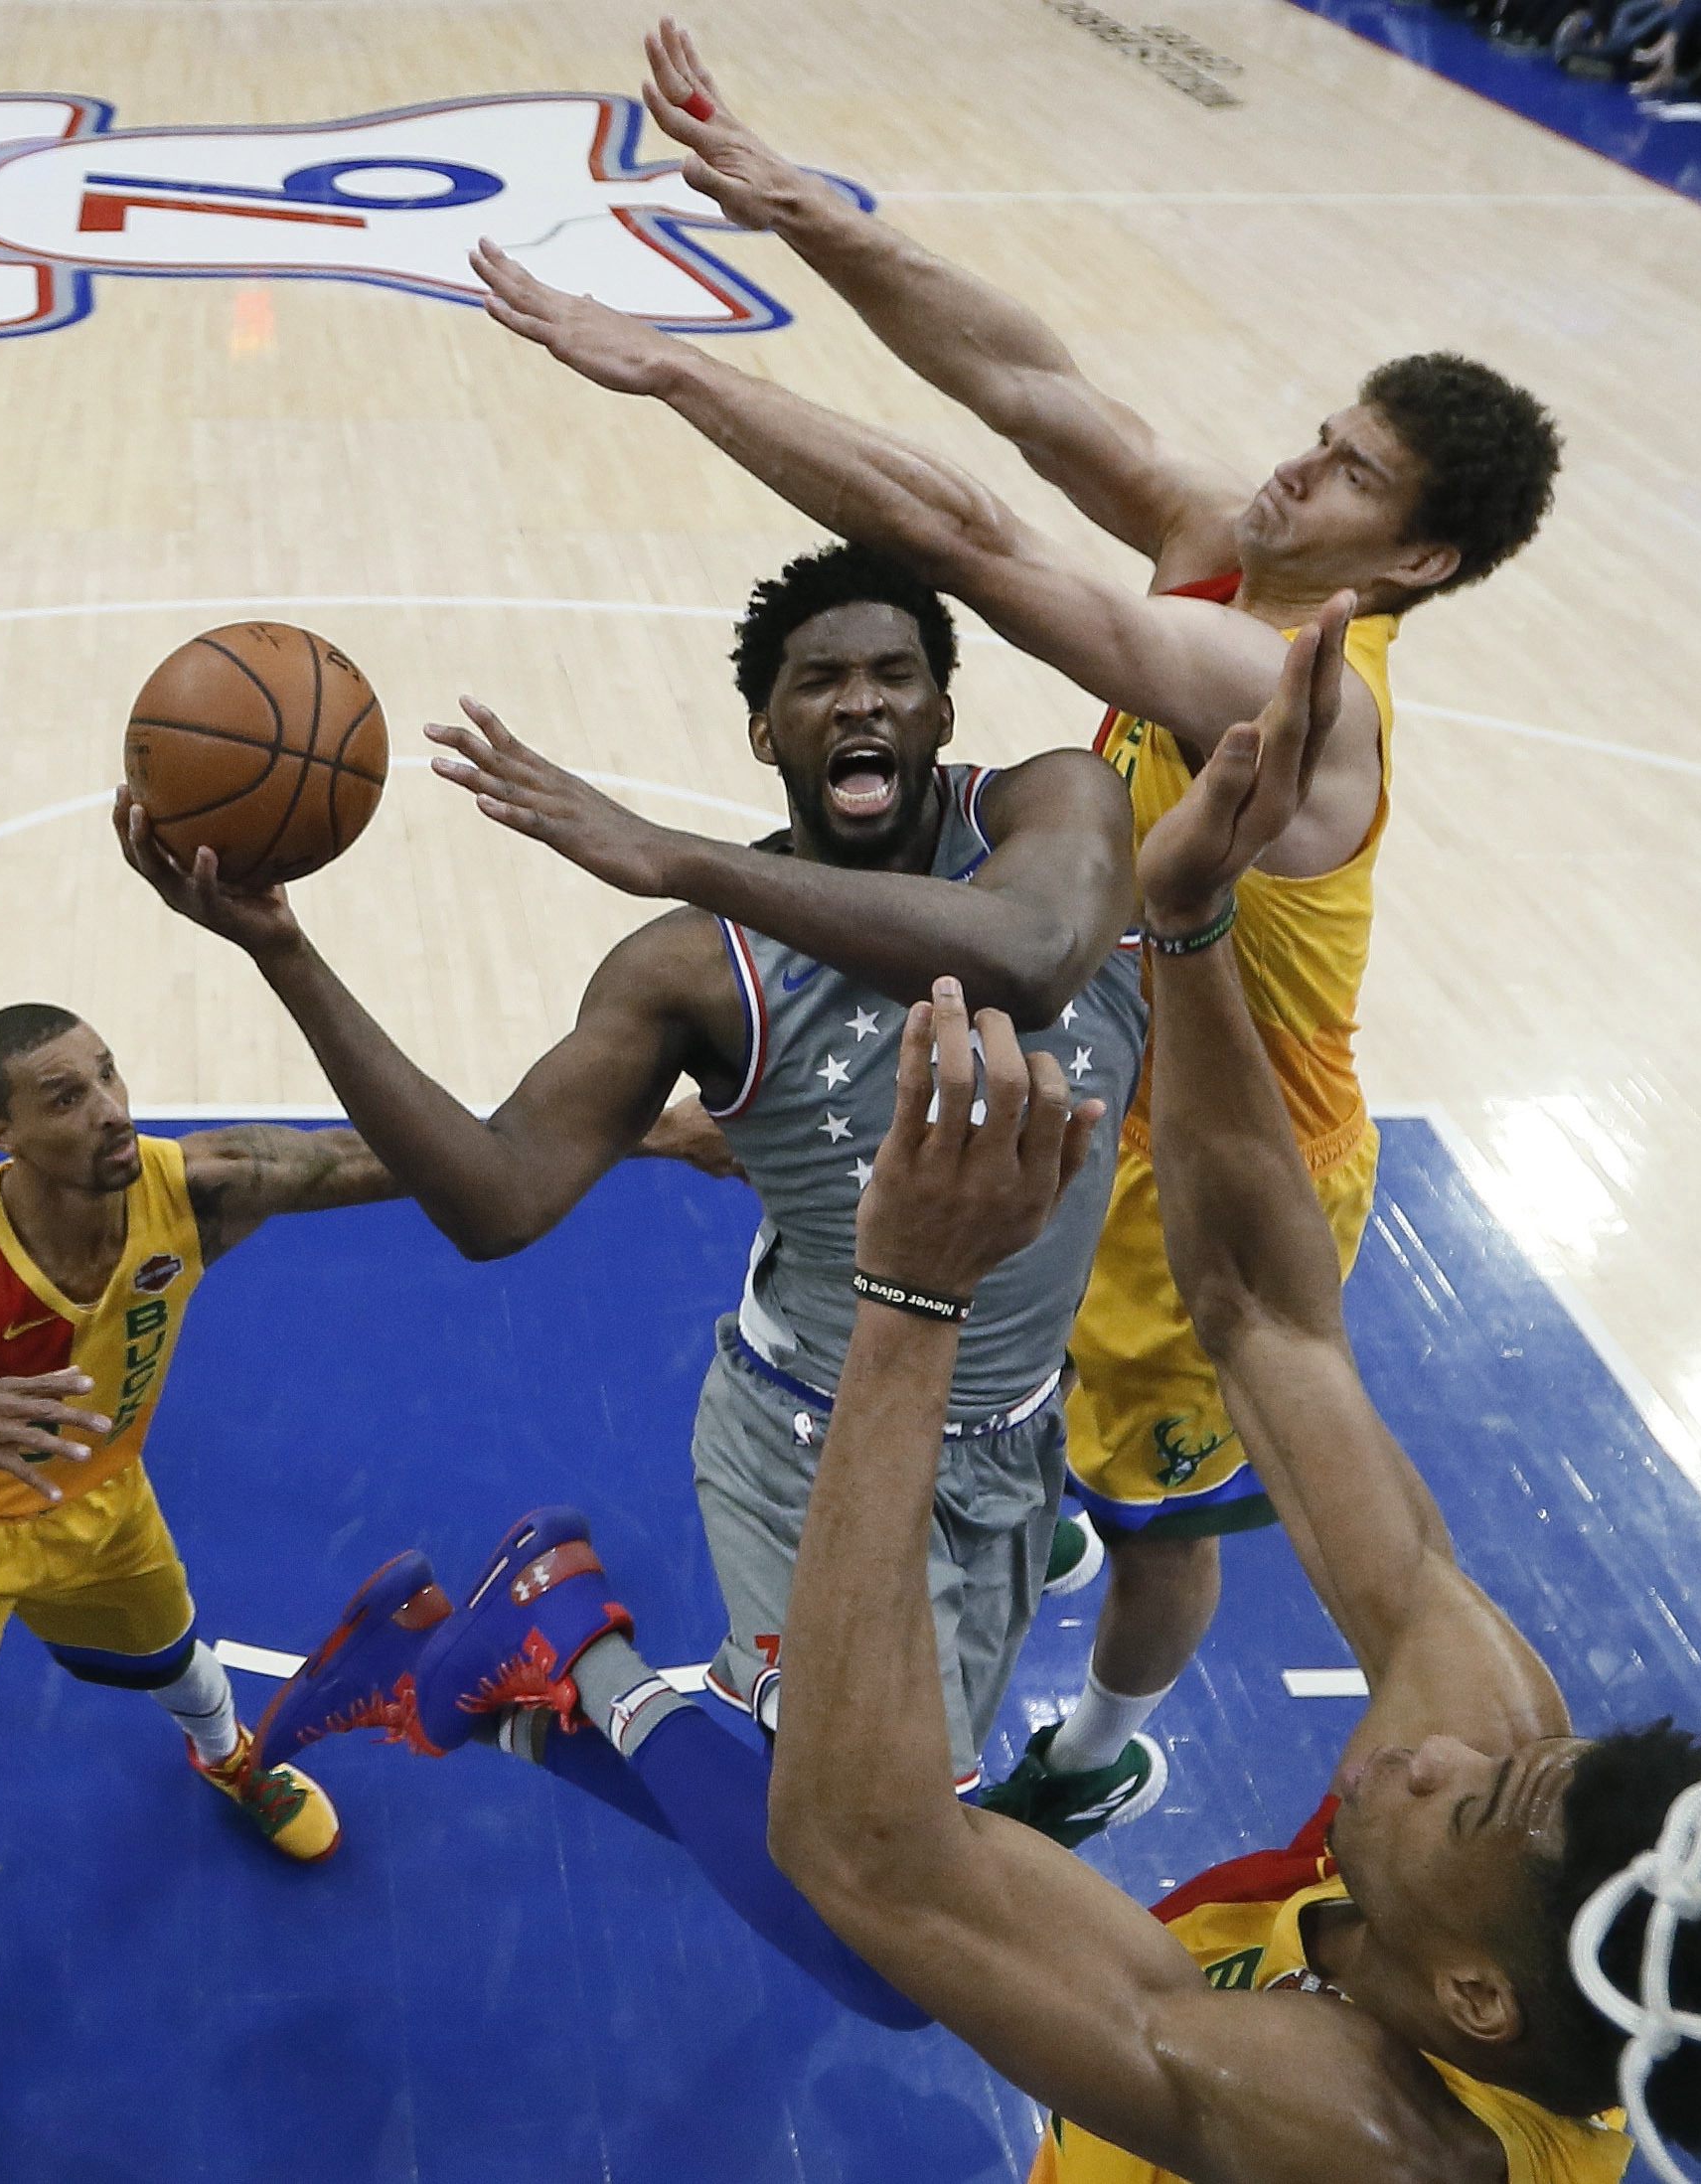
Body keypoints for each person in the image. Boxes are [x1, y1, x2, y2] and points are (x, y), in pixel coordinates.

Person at [473, 19, 1563, 1844]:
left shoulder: (1297, 692)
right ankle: (1031, 1470)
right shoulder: (1237, 545)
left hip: (1230, 1153)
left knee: (1156, 1525)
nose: (1295, 474)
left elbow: (971, 535)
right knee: (977, 1346)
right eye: (1321, 435)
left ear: (1415, 562)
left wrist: (674, 370)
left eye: (1350, 478)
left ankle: (1095, 1744)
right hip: (1094, 1076)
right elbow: (1030, 387)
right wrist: (803, 211)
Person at [756, 605, 1701, 2180]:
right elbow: (1268, 1322)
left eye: (1464, 1805)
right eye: (1504, 1766)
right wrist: (1190, 928)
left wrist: (910, 1292)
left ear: (1475, 1998)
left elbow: (863, 1850)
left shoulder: (1356, 2132)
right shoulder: (1507, 1803)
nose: (1440, 1749)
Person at [115, 543, 1146, 1792]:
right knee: (881, 1841)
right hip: (816, 1439)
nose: (860, 701)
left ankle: (552, 1668)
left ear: (941, 711)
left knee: (880, 1841)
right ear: (764, 732)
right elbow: (498, 1198)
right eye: (819, 681)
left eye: (893, 675)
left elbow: (1031, 958)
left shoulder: (1056, 811)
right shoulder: (699, 968)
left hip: (1016, 1428)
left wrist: (675, 851)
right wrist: (286, 954)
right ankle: (563, 1658)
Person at [0, 1006, 406, 2136]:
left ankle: (227, 1760)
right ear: (0, 1133)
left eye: (107, 1075)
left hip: (99, 1505)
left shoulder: (194, 1189)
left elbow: (401, 1153)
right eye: (64, 1098)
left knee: (179, 1663)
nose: (108, 1110)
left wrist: (650, 1126)